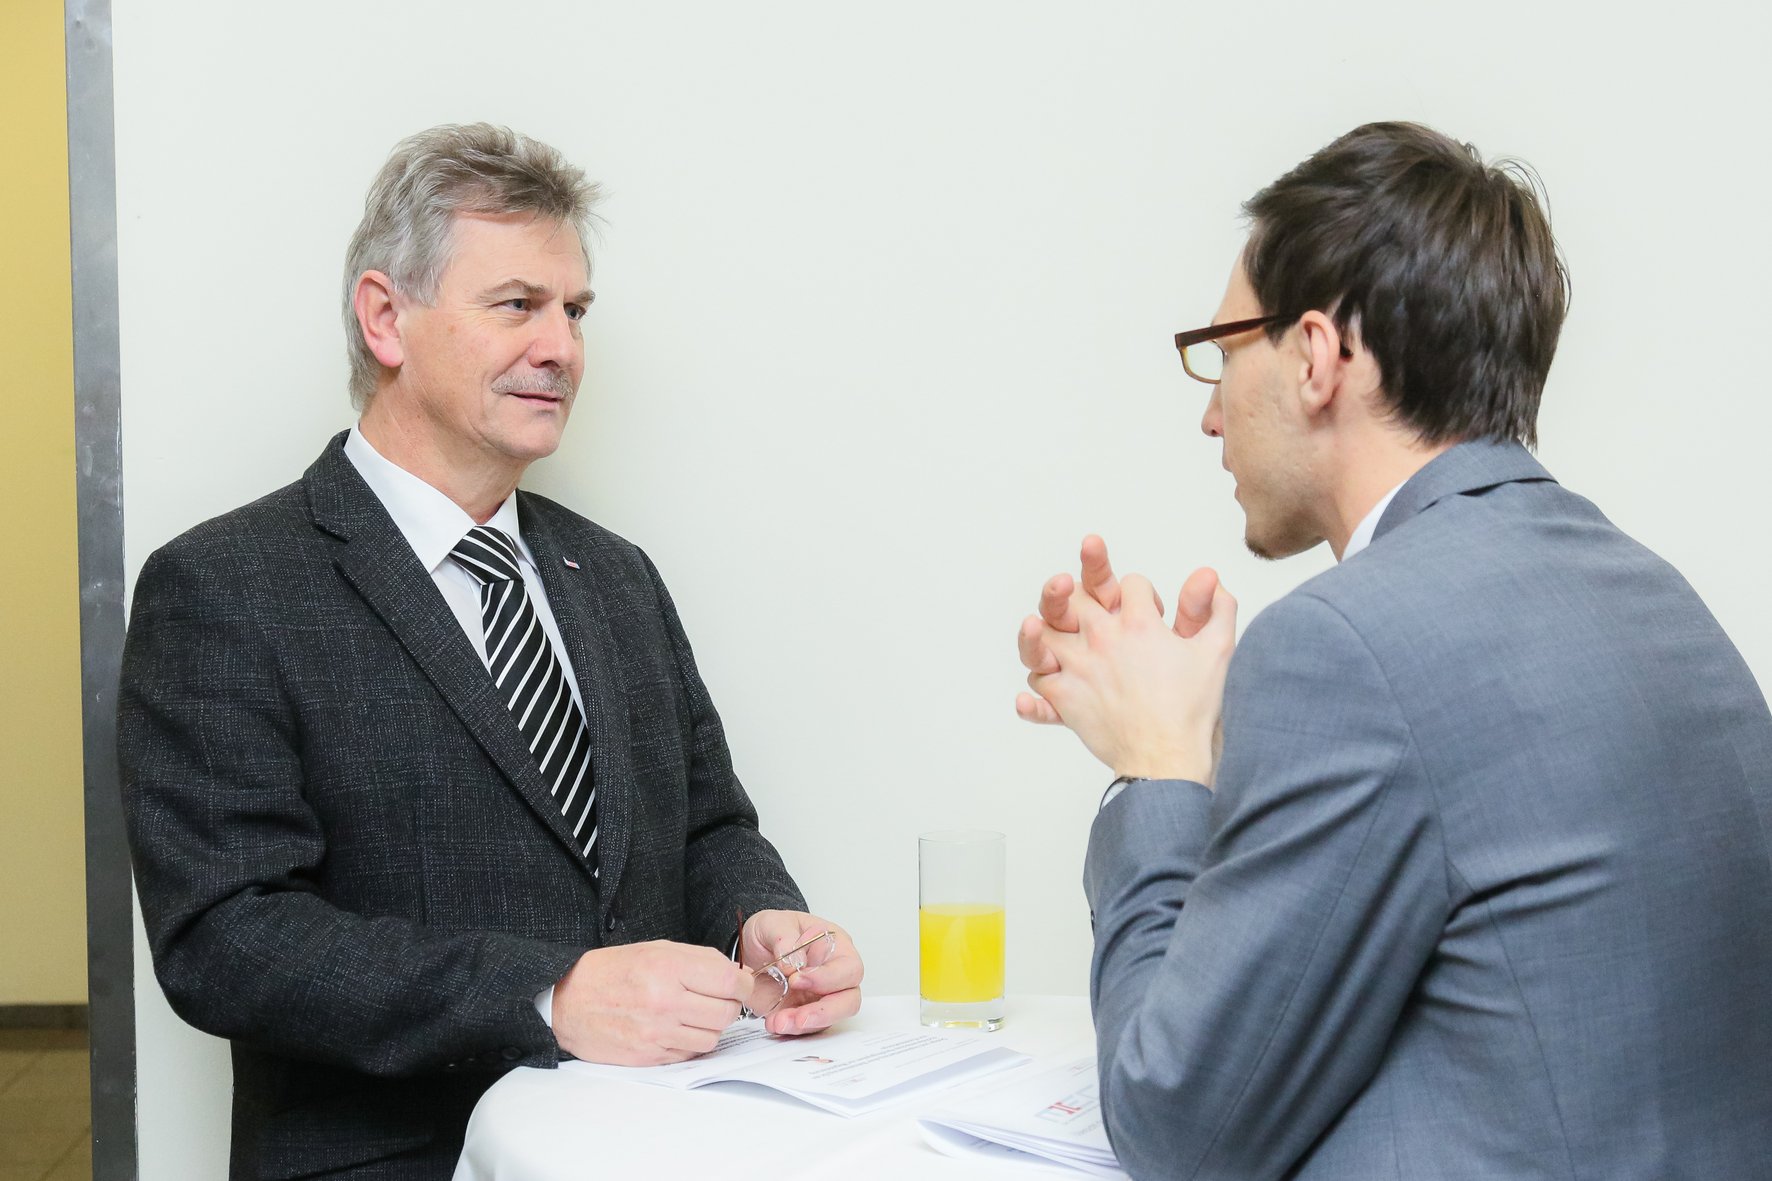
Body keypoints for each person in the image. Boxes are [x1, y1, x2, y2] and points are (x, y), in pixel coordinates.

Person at [1015, 122, 1772, 1179]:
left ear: (1316, 356)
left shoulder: (1340, 645)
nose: (1210, 415)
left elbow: (1179, 1125)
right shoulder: (1658, 598)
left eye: (1223, 352)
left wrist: (1157, 770)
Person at [118, 123, 863, 1180]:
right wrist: (551, 995)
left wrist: (763, 920)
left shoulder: (616, 575)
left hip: (665, 1142)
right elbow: (226, 937)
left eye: (575, 310)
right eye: (517, 304)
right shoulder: (226, 586)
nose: (562, 347)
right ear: (386, 318)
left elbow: (707, 825)